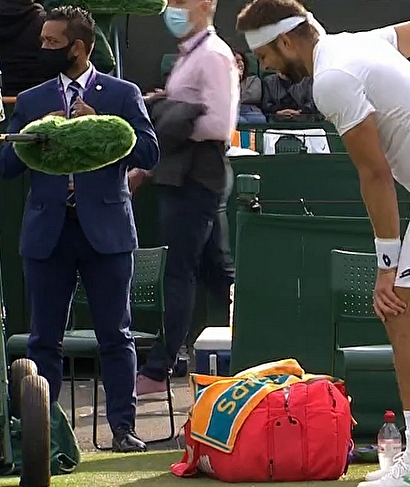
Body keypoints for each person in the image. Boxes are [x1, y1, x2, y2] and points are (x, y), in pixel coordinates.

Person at [237, 2, 410, 487]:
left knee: (401, 312)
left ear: (285, 41)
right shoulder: (357, 44)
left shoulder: (331, 80)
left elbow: (375, 175)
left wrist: (387, 265)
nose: (265, 67)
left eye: (264, 55)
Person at [0, 6, 159, 452]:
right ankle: (45, 437)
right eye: (42, 41)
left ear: (79, 48)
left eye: (52, 42)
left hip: (106, 232)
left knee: (116, 335)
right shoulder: (32, 100)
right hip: (47, 232)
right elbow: (7, 166)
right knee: (44, 339)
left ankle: (123, 430)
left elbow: (149, 153)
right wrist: (35, 137)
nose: (43, 48)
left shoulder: (122, 94)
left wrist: (102, 125)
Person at [134, 0, 239, 399]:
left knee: (180, 271)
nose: (173, 7)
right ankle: (263, 347)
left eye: (182, 0)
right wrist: (169, 108)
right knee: (217, 274)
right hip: (182, 178)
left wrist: (166, 113)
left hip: (196, 179)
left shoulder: (213, 55)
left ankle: (159, 368)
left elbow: (218, 124)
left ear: (207, 4)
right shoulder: (189, 56)